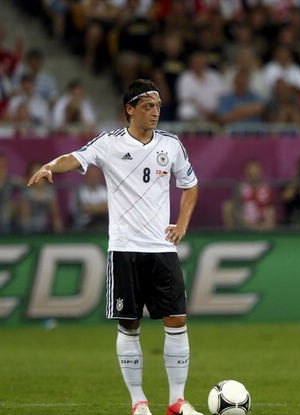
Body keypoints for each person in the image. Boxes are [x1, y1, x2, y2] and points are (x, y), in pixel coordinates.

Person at [27, 79, 202, 415]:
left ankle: (177, 401)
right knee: (129, 325)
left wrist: (182, 224)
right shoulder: (109, 143)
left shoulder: (171, 144)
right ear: (130, 110)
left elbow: (190, 185)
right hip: (124, 249)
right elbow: (74, 157)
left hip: (162, 249)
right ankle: (139, 403)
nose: (155, 112)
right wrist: (49, 166)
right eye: (148, 106)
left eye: (158, 106)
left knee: (177, 320)